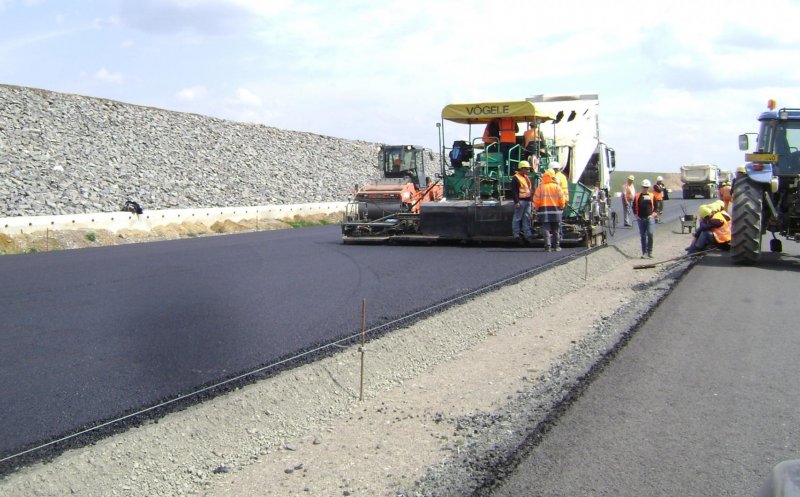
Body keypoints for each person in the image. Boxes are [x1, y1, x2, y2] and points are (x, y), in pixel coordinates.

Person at [534, 168, 566, 251]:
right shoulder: (557, 187)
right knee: (556, 229)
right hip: (556, 211)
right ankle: (556, 246)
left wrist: (537, 208)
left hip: (543, 211)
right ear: (553, 177)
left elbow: (536, 200)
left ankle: (547, 246)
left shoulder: (540, 187)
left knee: (546, 229)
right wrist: (562, 206)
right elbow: (562, 199)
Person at [511, 160, 534, 243]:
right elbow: (514, 191)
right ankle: (516, 235)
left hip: (527, 201)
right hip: (521, 201)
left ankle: (528, 235)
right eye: (526, 169)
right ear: (522, 168)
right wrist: (516, 201)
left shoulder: (526, 177)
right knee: (517, 218)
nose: (528, 171)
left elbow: (529, 190)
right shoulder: (516, 178)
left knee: (526, 218)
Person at [633, 179, 656, 258]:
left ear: (648, 187)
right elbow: (633, 207)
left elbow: (656, 208)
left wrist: (653, 215)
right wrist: (636, 216)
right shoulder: (637, 196)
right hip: (641, 219)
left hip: (650, 218)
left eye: (646, 187)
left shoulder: (652, 196)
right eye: (644, 187)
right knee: (643, 236)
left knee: (650, 233)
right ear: (642, 187)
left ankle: (650, 252)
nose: (645, 188)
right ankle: (644, 253)